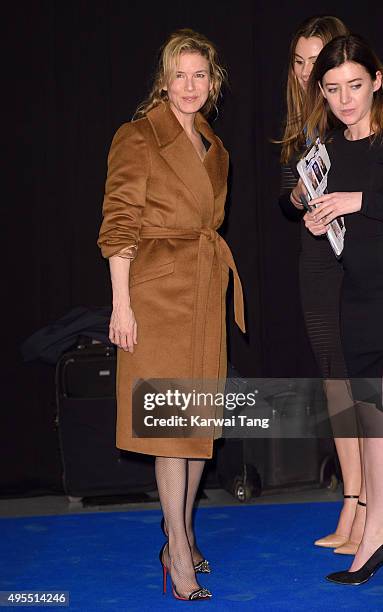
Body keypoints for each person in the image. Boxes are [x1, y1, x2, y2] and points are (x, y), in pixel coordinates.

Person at [97, 29, 245, 600]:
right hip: (156, 297)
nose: (189, 86)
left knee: (198, 427)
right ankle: (177, 550)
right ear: (163, 80)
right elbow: (118, 224)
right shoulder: (136, 137)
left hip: (205, 291)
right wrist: (121, 306)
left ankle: (178, 531)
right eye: (179, 75)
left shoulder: (213, 145)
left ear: (213, 84)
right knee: (170, 431)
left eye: (200, 75)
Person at [278, 15, 365, 555]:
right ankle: (352, 498)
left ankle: (363, 507)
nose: (309, 72)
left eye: (320, 60)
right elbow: (287, 188)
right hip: (316, 257)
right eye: (300, 61)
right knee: (335, 383)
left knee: (361, 386)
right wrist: (296, 197)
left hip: (354, 259)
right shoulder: (302, 122)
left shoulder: (351, 111)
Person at [304, 33, 383, 585]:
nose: (345, 99)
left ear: (377, 81)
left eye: (355, 85)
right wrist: (321, 220)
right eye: (332, 89)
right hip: (357, 296)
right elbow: (328, 216)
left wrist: (359, 202)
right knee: (373, 424)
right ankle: (376, 529)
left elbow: (363, 206)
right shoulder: (331, 151)